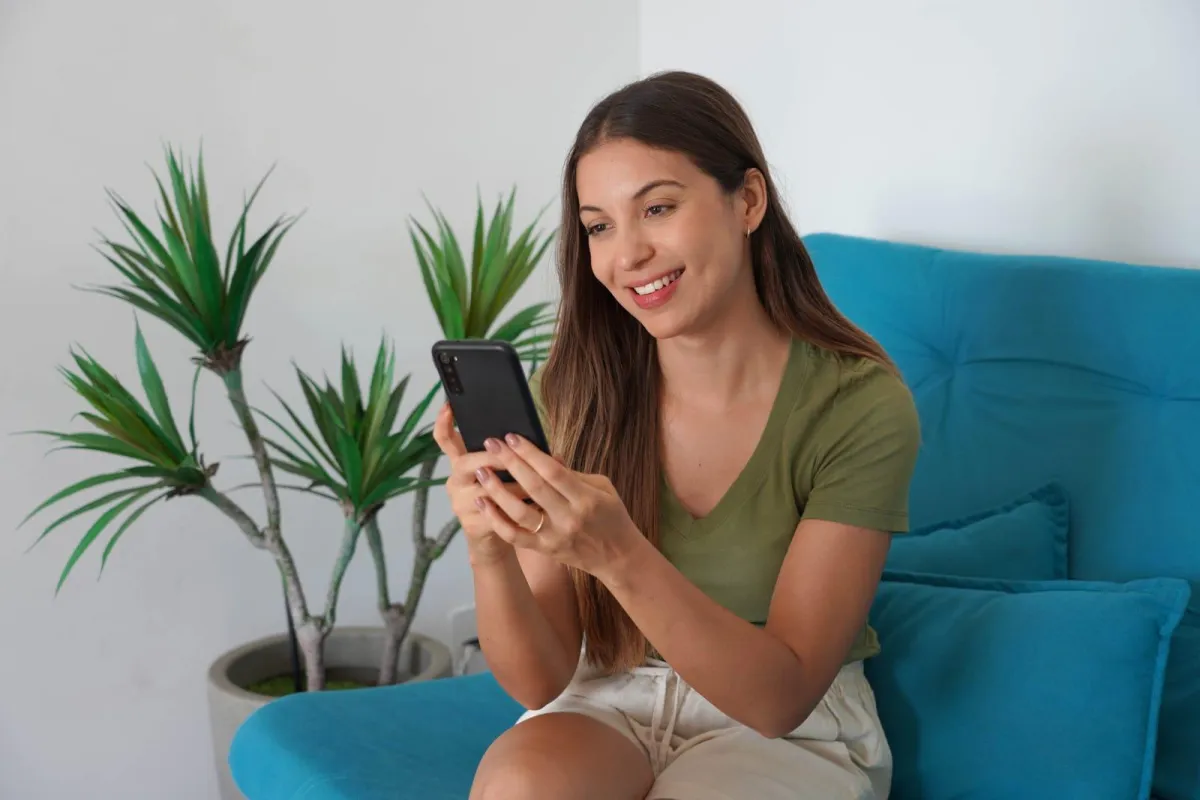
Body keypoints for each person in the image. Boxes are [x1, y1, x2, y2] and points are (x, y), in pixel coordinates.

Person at [432, 70, 921, 800]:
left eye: (657, 208)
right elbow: (540, 678)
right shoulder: (574, 392)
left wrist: (620, 553)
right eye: (599, 226)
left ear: (748, 201)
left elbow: (778, 698)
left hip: (788, 727)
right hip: (606, 700)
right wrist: (489, 548)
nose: (626, 255)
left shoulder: (856, 405)